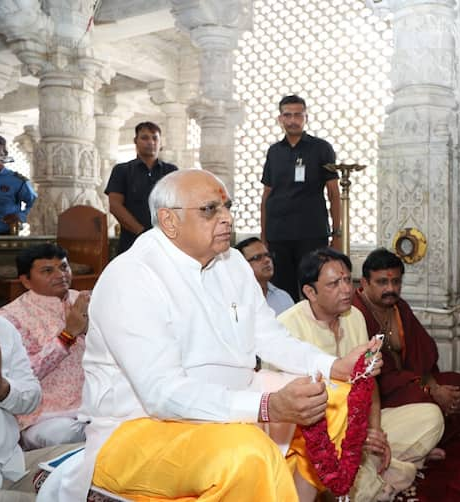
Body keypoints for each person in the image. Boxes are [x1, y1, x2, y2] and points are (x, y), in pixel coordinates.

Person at [54, 169, 381, 502]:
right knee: (247, 453)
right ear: (169, 221)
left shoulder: (233, 262)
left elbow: (269, 336)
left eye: (227, 207)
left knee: (331, 399)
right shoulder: (132, 277)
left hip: (234, 397)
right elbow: (162, 394)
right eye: (210, 210)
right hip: (139, 426)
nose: (227, 218)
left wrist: (334, 365)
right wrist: (267, 407)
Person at [278, 248, 444, 501]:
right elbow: (286, 410)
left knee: (430, 417)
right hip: (315, 437)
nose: (346, 289)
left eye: (347, 280)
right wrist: (351, 436)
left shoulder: (353, 316)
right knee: (326, 475)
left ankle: (369, 471)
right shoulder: (288, 326)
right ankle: (381, 474)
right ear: (310, 292)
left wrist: (374, 430)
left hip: (358, 425)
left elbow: (369, 382)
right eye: (334, 283)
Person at [352, 248, 460, 444]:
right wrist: (430, 390)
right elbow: (372, 378)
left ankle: (426, 439)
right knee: (428, 403)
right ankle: (424, 439)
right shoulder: (356, 314)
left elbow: (423, 355)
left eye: (396, 281)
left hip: (411, 381)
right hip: (379, 394)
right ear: (365, 283)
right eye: (382, 282)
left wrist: (433, 385)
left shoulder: (399, 307)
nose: (391, 288)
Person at [0, 244, 89, 450]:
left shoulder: (83, 301)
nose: (60, 275)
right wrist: (67, 335)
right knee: (65, 436)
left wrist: (92, 330)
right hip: (42, 416)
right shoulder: (9, 318)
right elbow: (20, 377)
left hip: (93, 406)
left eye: (64, 267)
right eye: (48, 271)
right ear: (25, 280)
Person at [260, 95, 342, 301]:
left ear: (306, 117)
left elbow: (333, 193)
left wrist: (338, 232)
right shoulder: (274, 151)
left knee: (314, 289)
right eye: (287, 115)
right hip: (278, 234)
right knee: (282, 293)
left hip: (311, 232)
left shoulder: (321, 148)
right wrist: (264, 233)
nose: (293, 120)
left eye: (298, 115)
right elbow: (267, 195)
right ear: (280, 119)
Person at [0, 316, 81, 502]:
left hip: (13, 465)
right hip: (42, 425)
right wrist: (66, 336)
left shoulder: (3, 328)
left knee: (93, 460)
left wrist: (3, 389)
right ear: (26, 283)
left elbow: (31, 396)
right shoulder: (15, 313)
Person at [105, 121, 178, 255]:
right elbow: (115, 205)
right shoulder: (122, 170)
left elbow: (179, 204)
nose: (150, 142)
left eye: (155, 138)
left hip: (167, 242)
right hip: (132, 242)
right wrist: (142, 232)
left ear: (160, 142)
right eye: (144, 138)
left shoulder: (172, 171)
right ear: (135, 141)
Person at [235, 237, 294, 315]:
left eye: (268, 255)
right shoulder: (234, 301)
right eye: (257, 258)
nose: (267, 260)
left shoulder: (283, 298)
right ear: (241, 266)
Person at [0, 134, 37, 236]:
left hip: (6, 235)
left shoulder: (16, 180)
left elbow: (35, 204)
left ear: (4, 156)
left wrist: (20, 216)